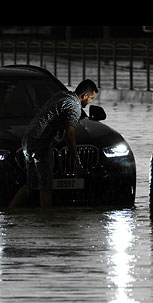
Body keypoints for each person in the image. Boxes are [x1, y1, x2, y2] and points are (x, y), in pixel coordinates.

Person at [9, 79, 98, 209]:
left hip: (28, 138)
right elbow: (70, 134)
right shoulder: (74, 106)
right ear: (84, 96)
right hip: (42, 142)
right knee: (46, 185)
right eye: (91, 98)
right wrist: (76, 162)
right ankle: (47, 221)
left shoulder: (61, 95)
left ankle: (10, 212)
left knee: (31, 183)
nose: (90, 101)